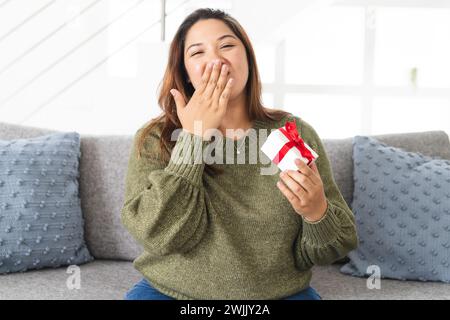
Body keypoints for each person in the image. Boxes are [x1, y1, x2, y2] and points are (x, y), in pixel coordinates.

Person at [121, 8, 357, 300]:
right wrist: (194, 137)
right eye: (197, 53)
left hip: (278, 295)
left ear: (248, 58)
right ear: (185, 72)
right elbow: (157, 233)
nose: (216, 60)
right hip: (170, 293)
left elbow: (336, 245)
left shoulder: (292, 133)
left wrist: (316, 212)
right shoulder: (156, 139)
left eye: (227, 46)